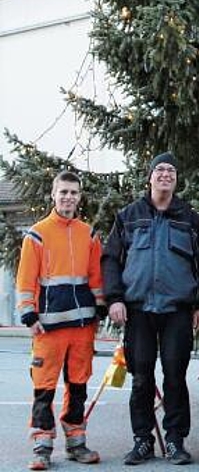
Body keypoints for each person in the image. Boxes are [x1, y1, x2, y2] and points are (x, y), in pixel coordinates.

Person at [101, 152, 199, 466]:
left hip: (177, 310)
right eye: (159, 170)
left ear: (176, 179)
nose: (165, 174)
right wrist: (115, 298)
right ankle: (143, 440)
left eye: (171, 171)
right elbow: (111, 259)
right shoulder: (128, 215)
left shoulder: (190, 218)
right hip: (137, 310)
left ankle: (176, 441)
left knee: (175, 376)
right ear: (149, 177)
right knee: (141, 378)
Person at [16, 170, 105, 471]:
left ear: (80, 197)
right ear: (53, 195)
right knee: (45, 386)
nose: (68, 197)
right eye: (63, 192)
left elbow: (96, 277)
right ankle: (42, 445)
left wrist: (101, 306)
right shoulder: (37, 234)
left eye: (73, 192)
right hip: (48, 326)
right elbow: (26, 279)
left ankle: (76, 442)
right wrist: (29, 314)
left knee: (78, 384)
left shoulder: (89, 234)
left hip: (82, 326)